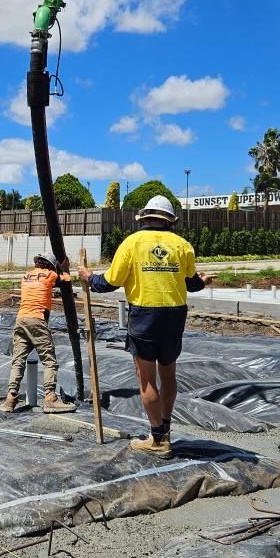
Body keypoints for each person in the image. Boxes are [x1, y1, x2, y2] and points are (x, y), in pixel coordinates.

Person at [77, 195, 212, 457]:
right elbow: (190, 282)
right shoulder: (182, 245)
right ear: (169, 221)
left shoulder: (132, 243)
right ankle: (166, 428)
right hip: (174, 316)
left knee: (146, 379)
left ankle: (158, 439)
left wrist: (89, 277)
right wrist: (203, 281)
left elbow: (110, 282)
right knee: (169, 374)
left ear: (144, 219)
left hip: (145, 316)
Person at [2, 253, 77, 414]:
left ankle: (10, 399)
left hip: (21, 320)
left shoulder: (26, 275)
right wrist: (64, 269)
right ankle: (50, 398)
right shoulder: (51, 274)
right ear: (51, 265)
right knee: (49, 361)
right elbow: (67, 279)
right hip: (37, 319)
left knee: (18, 361)